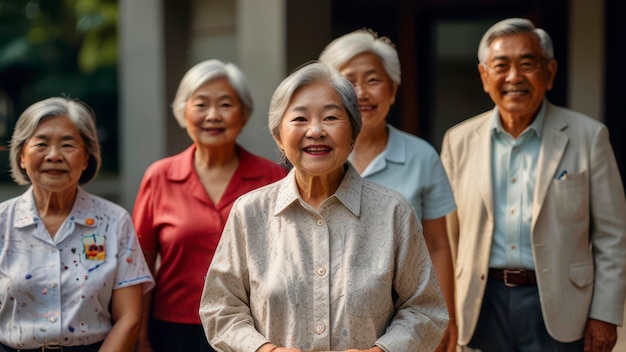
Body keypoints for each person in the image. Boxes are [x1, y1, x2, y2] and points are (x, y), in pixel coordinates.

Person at [199, 61, 448, 352]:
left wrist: (381, 351)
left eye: (331, 118)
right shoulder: (250, 212)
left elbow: (424, 310)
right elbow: (220, 309)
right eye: (300, 119)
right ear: (279, 138)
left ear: (353, 134)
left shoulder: (393, 211)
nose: (316, 131)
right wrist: (264, 350)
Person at [440, 18, 626, 352]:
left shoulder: (589, 137)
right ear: (485, 76)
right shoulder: (458, 140)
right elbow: (446, 238)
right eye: (501, 66)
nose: (514, 77)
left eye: (527, 64)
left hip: (560, 301)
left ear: (550, 73)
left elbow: (612, 236)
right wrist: (446, 312)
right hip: (482, 301)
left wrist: (605, 314)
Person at [132, 59, 287, 352]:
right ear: (183, 112)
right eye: (201, 104)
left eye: (226, 105)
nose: (213, 115)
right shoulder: (159, 176)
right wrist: (140, 336)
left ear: (243, 114)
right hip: (174, 329)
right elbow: (140, 266)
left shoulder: (273, 177)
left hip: (252, 329)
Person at [319, 28, 458, 352]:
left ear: (393, 91)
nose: (361, 92)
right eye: (348, 81)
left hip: (408, 319)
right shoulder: (316, 155)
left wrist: (446, 317)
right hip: (331, 318)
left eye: (373, 80)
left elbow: (438, 245)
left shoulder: (422, 156)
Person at [0, 97, 154, 352]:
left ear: (86, 159)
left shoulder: (114, 222)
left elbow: (129, 319)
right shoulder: (3, 223)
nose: (54, 155)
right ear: (22, 157)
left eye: (67, 145)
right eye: (41, 144)